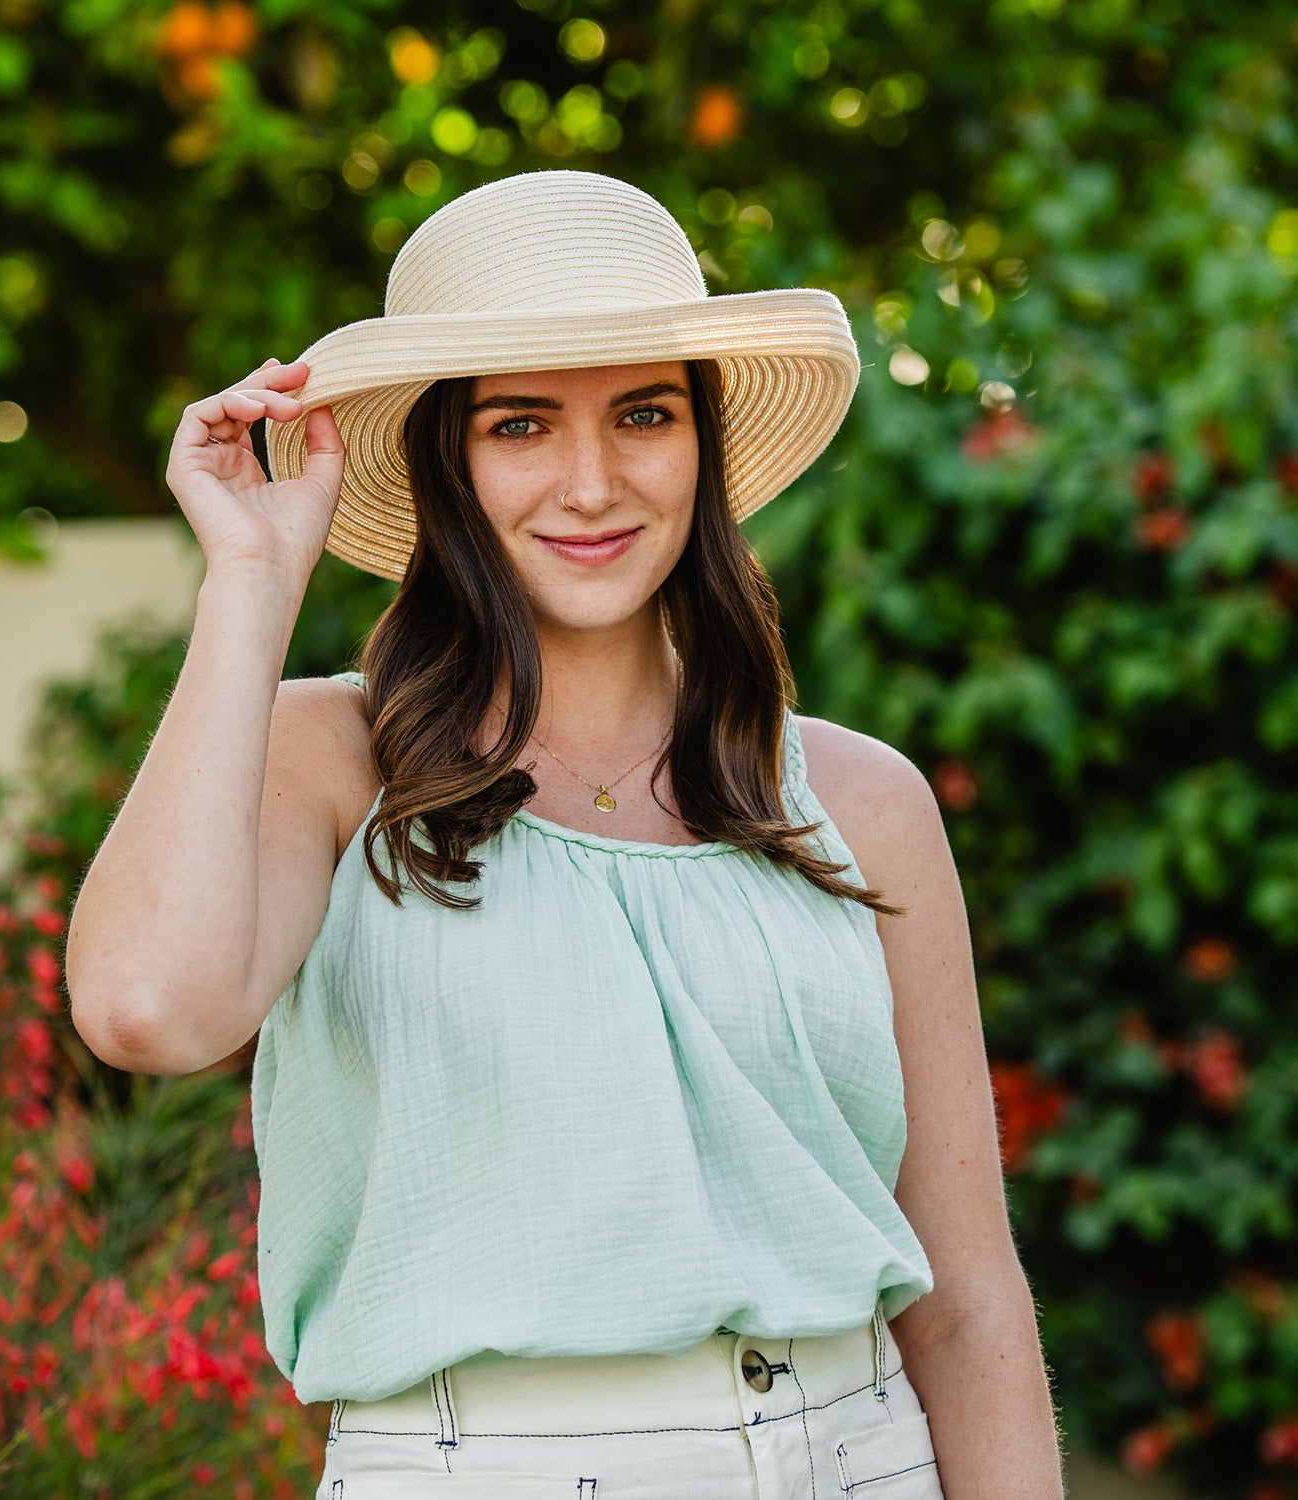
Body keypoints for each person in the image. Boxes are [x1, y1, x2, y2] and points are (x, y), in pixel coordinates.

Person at [65, 170, 1065, 1499]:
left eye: (643, 415)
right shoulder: (330, 763)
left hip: (862, 1459)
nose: (590, 484)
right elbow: (145, 1011)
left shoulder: (862, 800)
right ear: (447, 461)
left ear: (701, 444)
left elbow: (971, 1302)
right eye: (520, 425)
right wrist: (251, 579)